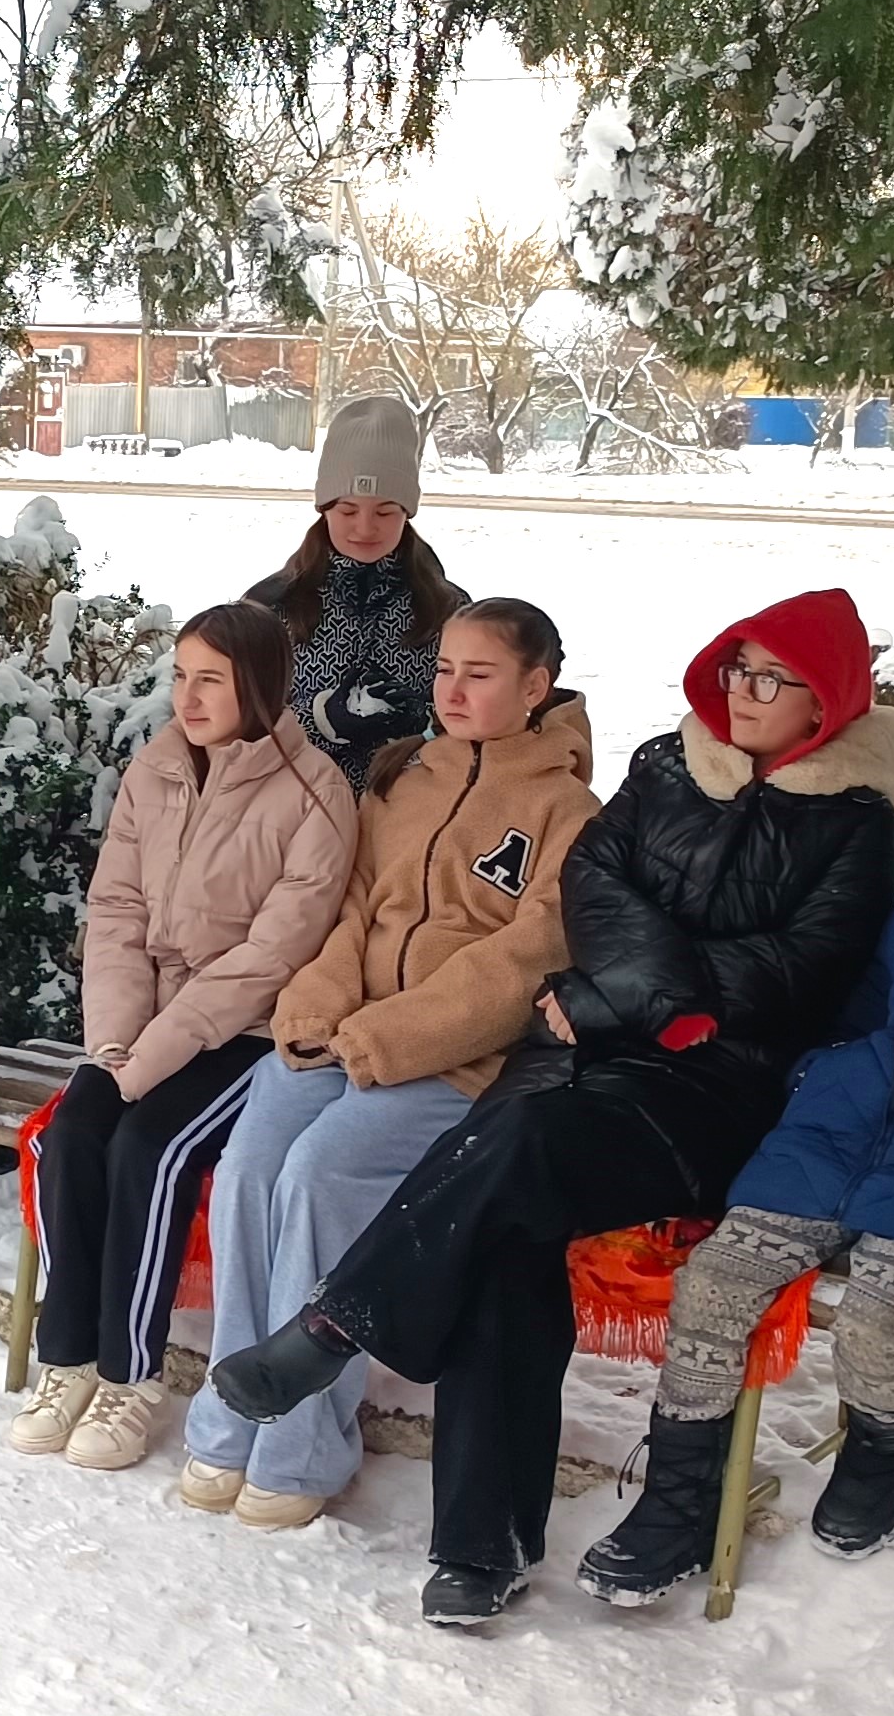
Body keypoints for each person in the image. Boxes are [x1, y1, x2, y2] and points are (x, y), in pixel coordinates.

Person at [214, 590, 894, 1627]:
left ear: (829, 700)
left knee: (517, 1150)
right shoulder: (668, 766)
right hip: (575, 1047)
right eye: (738, 669)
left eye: (775, 679)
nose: (746, 693)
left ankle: (332, 1322)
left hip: (710, 1092)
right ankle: (479, 1548)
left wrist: (621, 992)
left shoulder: (854, 822)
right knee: (504, 1228)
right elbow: (595, 884)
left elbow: (795, 973)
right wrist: (629, 989)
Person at [579, 730, 894, 1605]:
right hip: (819, 1146)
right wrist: (821, 1075)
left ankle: (890, 1438)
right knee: (713, 1286)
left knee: (878, 1320)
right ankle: (679, 1498)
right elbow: (839, 1015)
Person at [177, 600, 598, 1530]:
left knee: (318, 1175)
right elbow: (351, 907)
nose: (452, 689)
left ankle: (301, 1443)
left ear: (535, 686)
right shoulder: (401, 777)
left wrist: (389, 1037)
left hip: (450, 1063)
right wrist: (316, 1007)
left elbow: (520, 963)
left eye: (479, 673)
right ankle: (230, 1411)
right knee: (250, 1170)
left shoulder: (567, 812)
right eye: (444, 668)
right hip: (341, 1032)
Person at [8, 605, 357, 1470]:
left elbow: (272, 954)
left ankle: (129, 1375)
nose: (187, 697)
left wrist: (152, 1057)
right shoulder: (155, 768)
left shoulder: (315, 792)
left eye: (210, 680)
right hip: (141, 1023)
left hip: (240, 1032)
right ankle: (68, 1358)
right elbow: (115, 911)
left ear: (259, 687)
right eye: (179, 676)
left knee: (150, 1151)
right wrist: (113, 1044)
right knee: (67, 1137)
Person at [246, 396, 467, 792]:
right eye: (348, 510)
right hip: (294, 812)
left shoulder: (449, 610)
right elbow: (236, 721)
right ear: (324, 508)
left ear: (408, 511)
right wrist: (322, 720)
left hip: (411, 813)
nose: (365, 528)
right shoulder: (269, 606)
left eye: (385, 512)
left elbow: (482, 715)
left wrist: (425, 723)